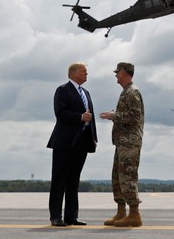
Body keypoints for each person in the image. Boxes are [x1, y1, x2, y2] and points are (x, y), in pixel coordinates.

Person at [46, 62, 97, 227]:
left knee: (74, 180)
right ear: (74, 73)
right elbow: (60, 113)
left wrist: (93, 137)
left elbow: (91, 117)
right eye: (84, 72)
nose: (86, 74)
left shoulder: (86, 93)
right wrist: (80, 117)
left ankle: (71, 216)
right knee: (59, 179)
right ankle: (55, 217)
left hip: (82, 142)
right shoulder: (62, 90)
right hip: (65, 142)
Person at [98, 61, 145, 227]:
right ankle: (121, 212)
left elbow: (134, 117)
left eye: (117, 72)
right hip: (122, 143)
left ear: (124, 72)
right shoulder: (126, 92)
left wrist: (114, 116)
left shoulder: (132, 93)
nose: (116, 76)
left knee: (127, 177)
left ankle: (134, 214)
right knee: (118, 178)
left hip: (129, 143)